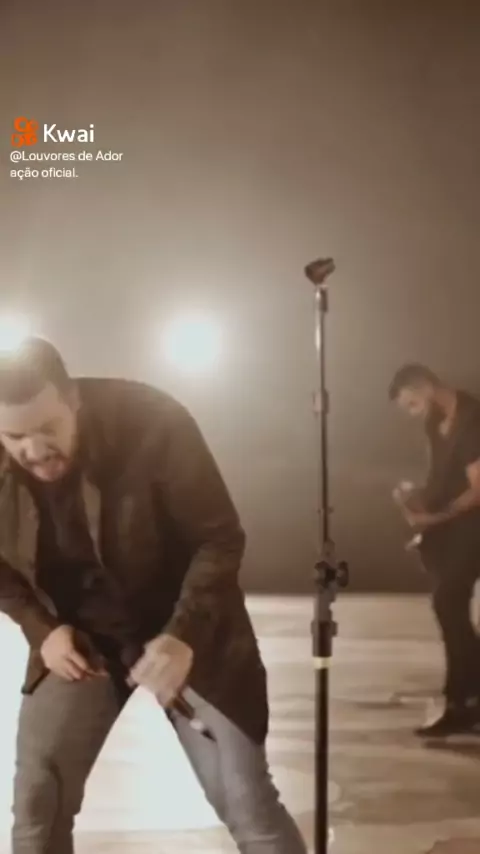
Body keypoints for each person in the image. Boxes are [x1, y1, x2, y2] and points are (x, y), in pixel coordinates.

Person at [0, 337, 307, 854]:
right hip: (82, 640)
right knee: (37, 803)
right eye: (14, 435)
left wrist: (183, 635)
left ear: (73, 399)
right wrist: (42, 630)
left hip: (190, 627)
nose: (33, 449)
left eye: (48, 427)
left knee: (247, 803)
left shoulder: (154, 420)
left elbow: (219, 539)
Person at [389, 363, 480, 736]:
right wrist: (416, 498)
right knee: (449, 606)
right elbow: (443, 478)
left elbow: (478, 489)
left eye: (413, 404)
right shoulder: (435, 424)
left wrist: (435, 517)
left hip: (474, 528)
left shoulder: (472, 420)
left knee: (448, 602)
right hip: (453, 530)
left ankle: (463, 701)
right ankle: (464, 699)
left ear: (425, 385)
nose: (414, 414)